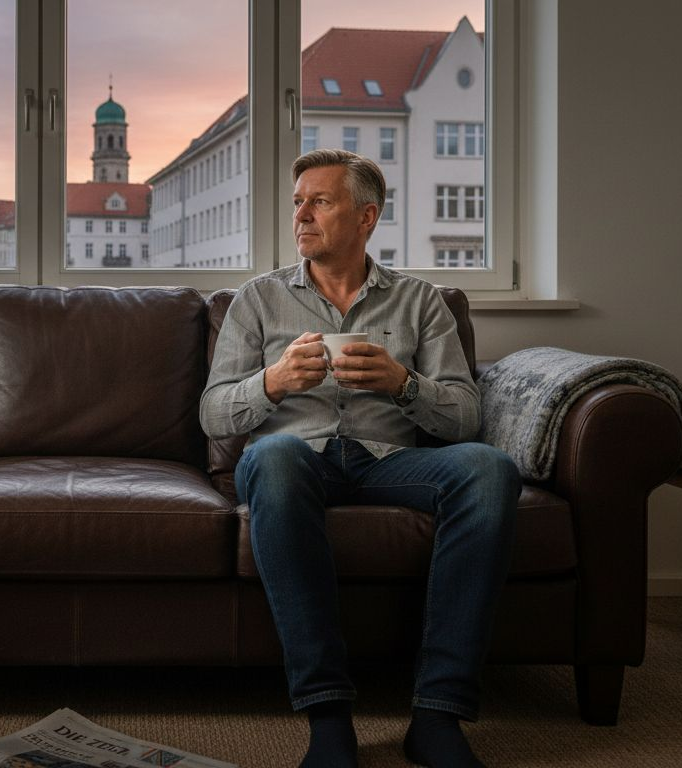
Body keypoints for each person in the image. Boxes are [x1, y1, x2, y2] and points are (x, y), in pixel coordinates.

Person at [200, 149, 519, 768]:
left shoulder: (423, 303)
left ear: (367, 216)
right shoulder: (257, 301)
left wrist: (403, 383)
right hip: (293, 462)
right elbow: (213, 415)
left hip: (388, 461)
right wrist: (275, 382)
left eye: (319, 201)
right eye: (298, 202)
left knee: (489, 469)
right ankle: (328, 716)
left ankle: (438, 715)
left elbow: (465, 416)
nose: (302, 215)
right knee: (277, 458)